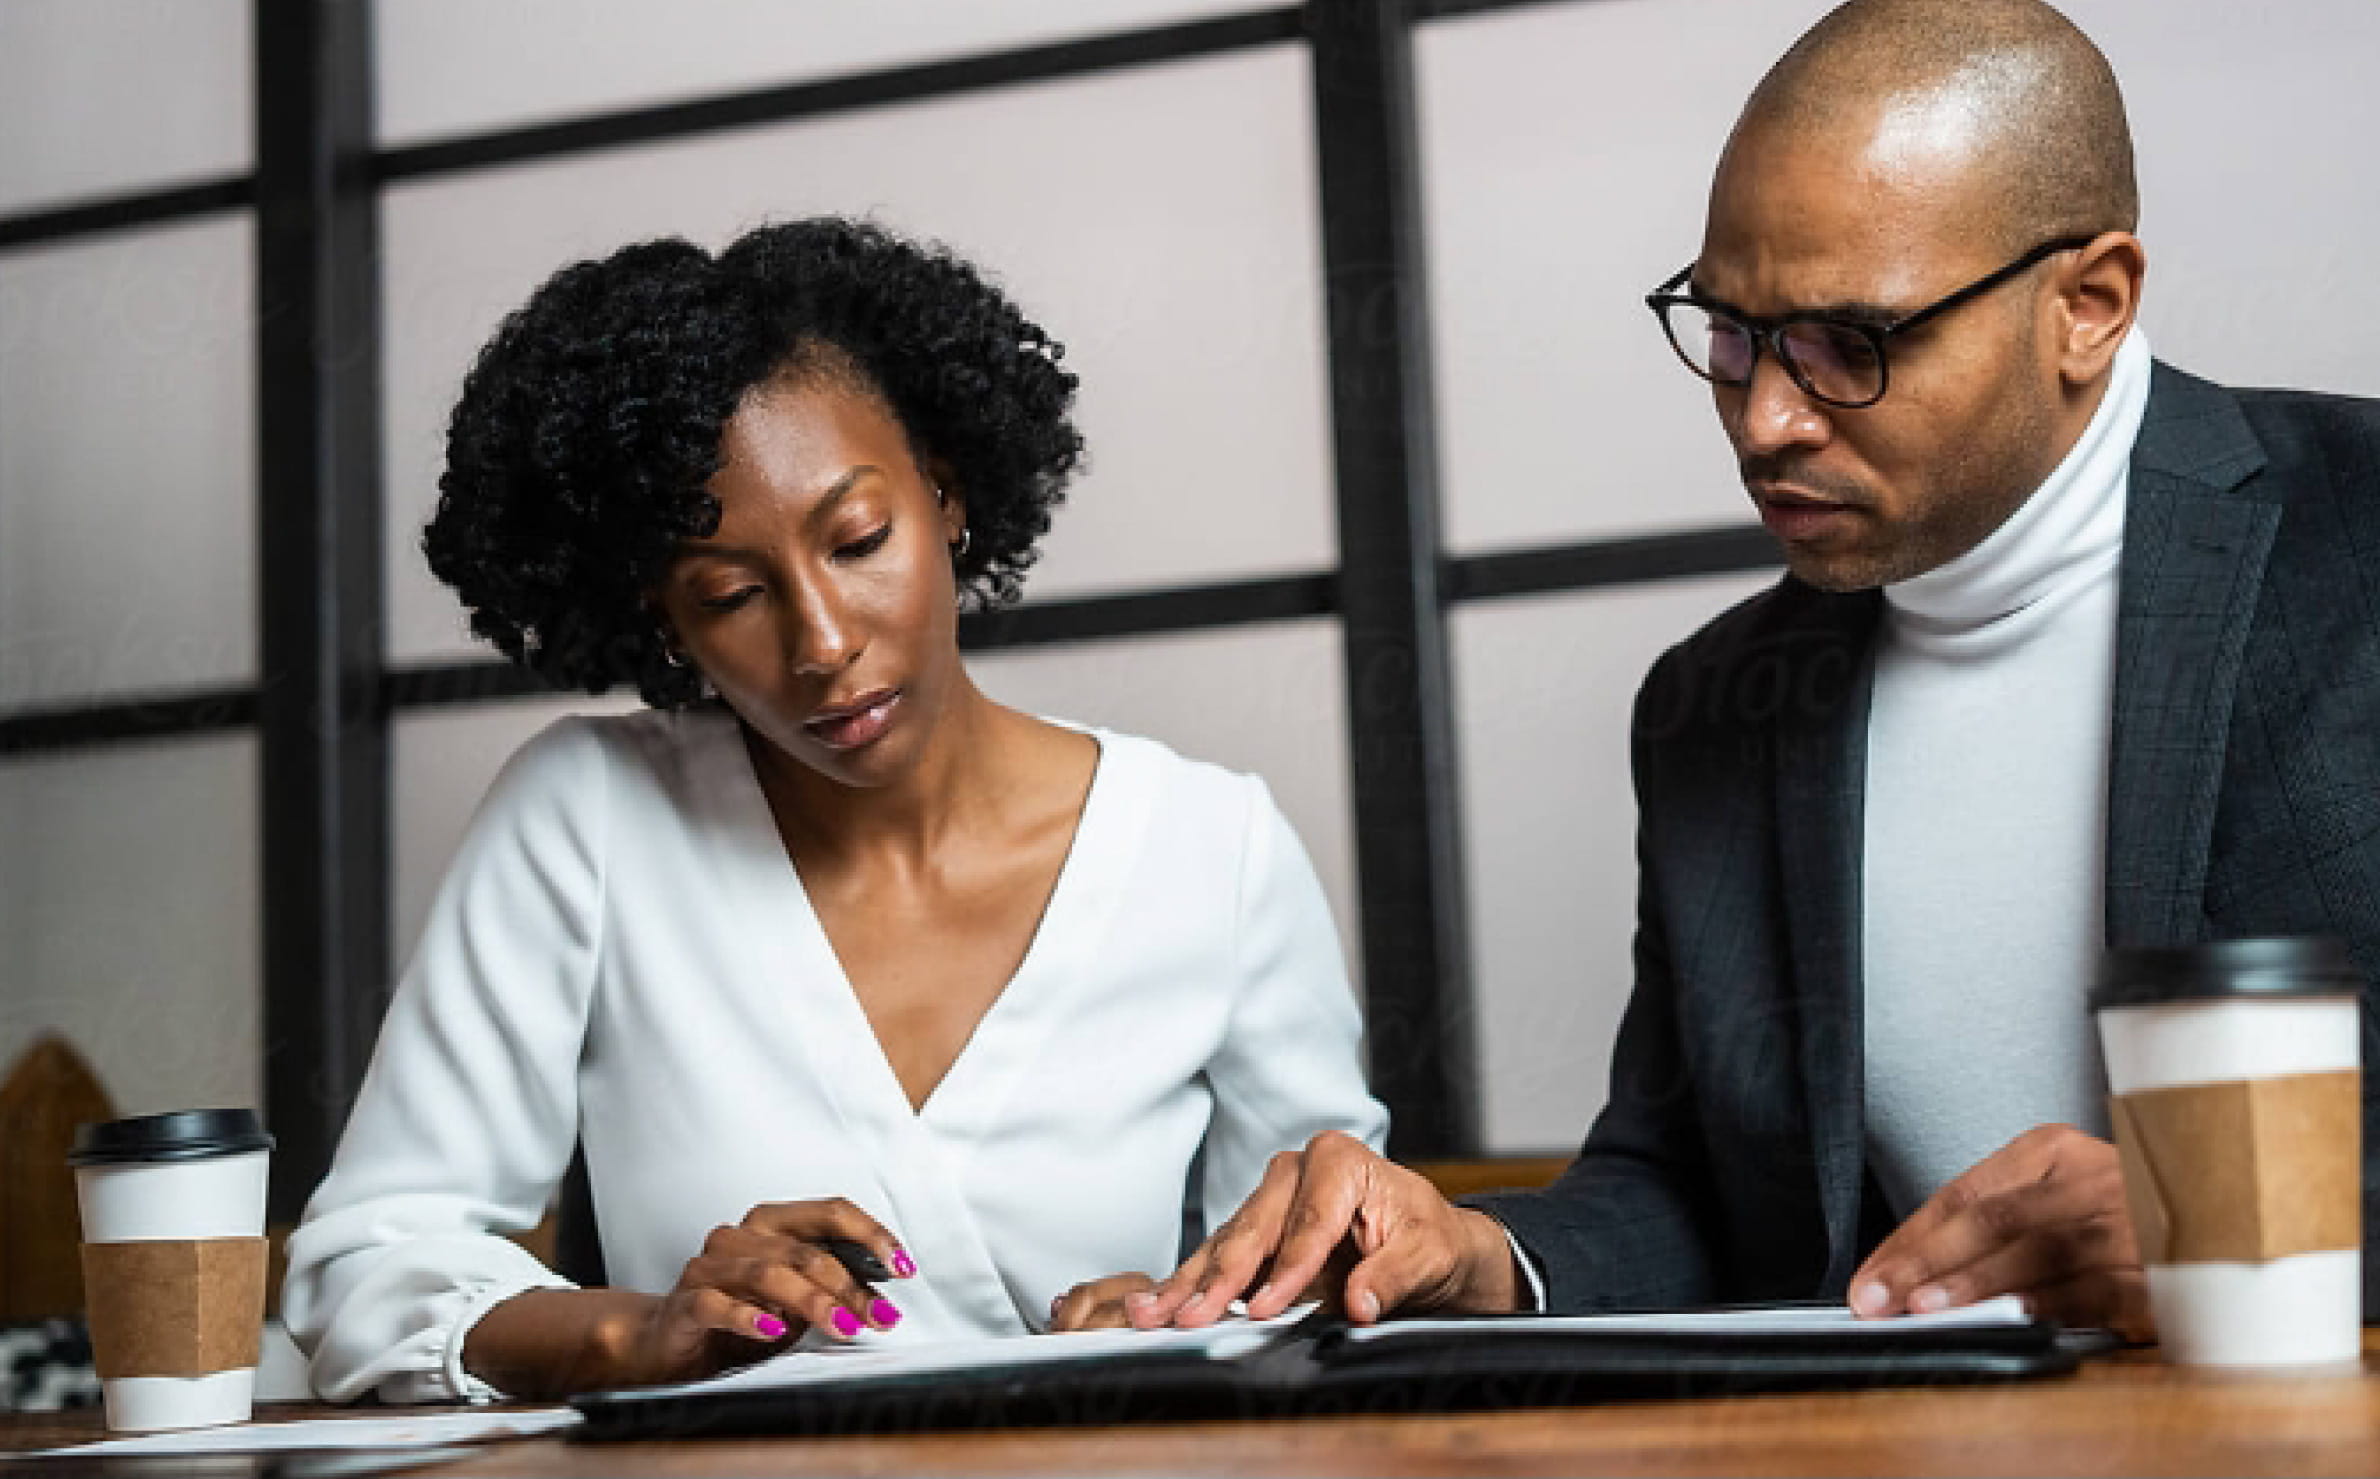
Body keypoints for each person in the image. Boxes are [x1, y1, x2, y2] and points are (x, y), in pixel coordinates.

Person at [1131, 0, 2380, 1338]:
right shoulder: (1714, 702)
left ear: (2089, 304)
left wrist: (2265, 1215)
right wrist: (1472, 1246)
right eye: (1732, 334)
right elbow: (1687, 1191)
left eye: (1852, 344)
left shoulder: (2354, 534)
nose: (1767, 420)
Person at [281, 218, 1387, 1402]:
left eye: (858, 540)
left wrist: (1175, 1320)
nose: (821, 642)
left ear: (948, 495)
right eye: (731, 595)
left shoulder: (1208, 848)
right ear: (665, 620)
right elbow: (366, 1268)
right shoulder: (589, 819)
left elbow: (1328, 1263)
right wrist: (639, 1333)